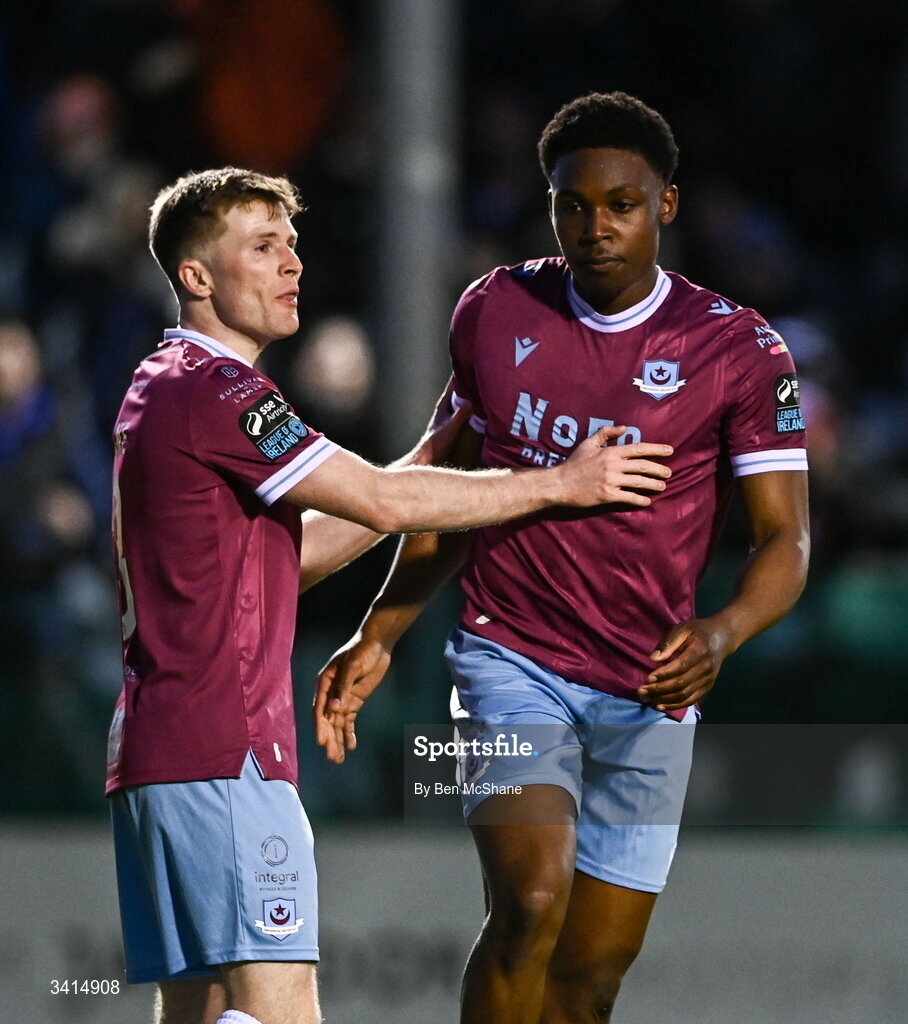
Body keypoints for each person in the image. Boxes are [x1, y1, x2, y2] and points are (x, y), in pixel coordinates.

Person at [105, 166, 676, 1024]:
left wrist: (431, 455)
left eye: (291, 245)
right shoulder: (219, 389)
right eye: (261, 248)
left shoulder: (160, 386)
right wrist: (561, 481)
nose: (291, 265)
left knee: (199, 1011)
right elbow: (377, 501)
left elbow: (283, 561)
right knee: (279, 1010)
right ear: (197, 277)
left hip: (160, 752)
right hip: (226, 751)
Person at [315, 92, 810, 1024]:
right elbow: (445, 492)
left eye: (620, 204)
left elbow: (788, 539)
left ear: (664, 206)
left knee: (588, 983)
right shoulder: (496, 311)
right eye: (571, 205)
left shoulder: (739, 351)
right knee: (530, 902)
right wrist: (382, 632)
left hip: (652, 682)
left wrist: (726, 629)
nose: (595, 227)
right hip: (511, 658)